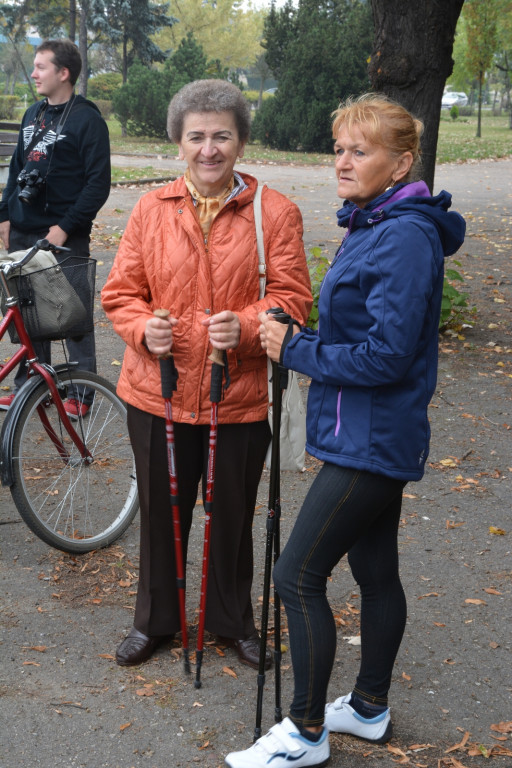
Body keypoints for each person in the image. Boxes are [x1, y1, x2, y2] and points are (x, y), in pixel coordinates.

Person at [225, 94, 466, 768]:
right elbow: (363, 332)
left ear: (401, 161)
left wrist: (294, 350)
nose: (343, 161)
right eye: (339, 148)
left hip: (371, 438)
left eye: (360, 151)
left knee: (296, 574)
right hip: (363, 431)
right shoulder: (376, 222)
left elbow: (387, 356)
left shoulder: (405, 236)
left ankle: (304, 733)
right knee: (373, 568)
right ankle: (367, 707)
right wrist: (301, 336)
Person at [101, 79, 312, 671]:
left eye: (222, 135)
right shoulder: (151, 208)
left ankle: (230, 622)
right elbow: (120, 293)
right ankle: (156, 622)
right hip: (158, 393)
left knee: (233, 515)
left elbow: (293, 298)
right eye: (197, 136)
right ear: (178, 142)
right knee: (162, 515)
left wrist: (245, 328)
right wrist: (146, 329)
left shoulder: (275, 212)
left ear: (242, 142)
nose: (209, 148)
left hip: (238, 395)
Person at [0, 39, 110, 417]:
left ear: (63, 73)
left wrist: (65, 227)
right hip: (22, 231)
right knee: (28, 318)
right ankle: (33, 388)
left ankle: (81, 394)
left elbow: (98, 183)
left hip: (64, 236)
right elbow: (15, 171)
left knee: (72, 316)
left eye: (41, 67)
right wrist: (3, 215)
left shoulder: (88, 120)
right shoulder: (33, 113)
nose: (33, 73)